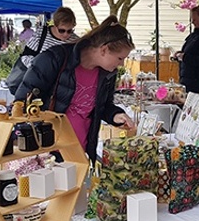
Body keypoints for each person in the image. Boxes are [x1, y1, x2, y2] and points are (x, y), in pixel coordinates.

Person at [15, 15, 135, 160]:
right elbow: (24, 100)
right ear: (104, 50)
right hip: (49, 151)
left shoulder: (108, 73)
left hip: (81, 150)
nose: (121, 64)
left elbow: (103, 106)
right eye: (120, 58)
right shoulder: (54, 59)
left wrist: (115, 115)